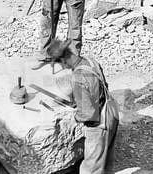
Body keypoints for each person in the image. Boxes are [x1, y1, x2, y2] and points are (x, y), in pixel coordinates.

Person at [46, 38, 119, 174]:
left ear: (63, 60)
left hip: (98, 124)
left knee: (91, 169)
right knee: (105, 161)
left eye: (61, 65)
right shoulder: (90, 60)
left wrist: (74, 117)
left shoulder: (78, 77)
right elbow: (100, 86)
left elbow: (88, 113)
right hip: (111, 111)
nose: (63, 68)